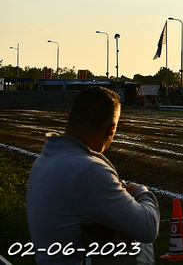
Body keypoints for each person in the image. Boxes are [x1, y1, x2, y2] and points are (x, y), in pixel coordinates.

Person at [26, 86, 160, 265]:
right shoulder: (87, 170)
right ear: (110, 130)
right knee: (139, 245)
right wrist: (138, 190)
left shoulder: (46, 159)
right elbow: (148, 228)